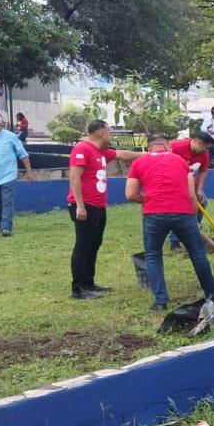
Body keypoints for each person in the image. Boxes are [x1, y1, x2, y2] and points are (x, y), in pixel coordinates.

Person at [125, 135, 214, 312]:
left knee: (153, 255)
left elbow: (130, 194)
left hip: (154, 215)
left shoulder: (139, 162)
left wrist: (150, 200)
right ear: (166, 146)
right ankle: (213, 293)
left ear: (149, 148)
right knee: (197, 253)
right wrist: (193, 219)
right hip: (183, 213)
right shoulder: (179, 161)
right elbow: (192, 195)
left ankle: (160, 301)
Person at [66, 120, 141, 300]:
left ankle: (88, 282)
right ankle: (77, 288)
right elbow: (74, 178)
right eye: (109, 131)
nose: (111, 135)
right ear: (101, 133)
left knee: (94, 244)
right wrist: (80, 205)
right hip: (85, 205)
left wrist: (148, 155)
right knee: (83, 245)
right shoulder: (82, 149)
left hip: (99, 206)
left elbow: (122, 154)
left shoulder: (100, 151)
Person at [168, 131, 214, 268]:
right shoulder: (176, 147)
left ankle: (193, 232)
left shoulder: (203, 153)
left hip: (190, 183)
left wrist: (199, 189)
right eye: (205, 147)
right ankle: (175, 241)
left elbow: (203, 170)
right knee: (179, 209)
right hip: (173, 185)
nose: (207, 151)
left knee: (202, 201)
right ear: (199, 143)